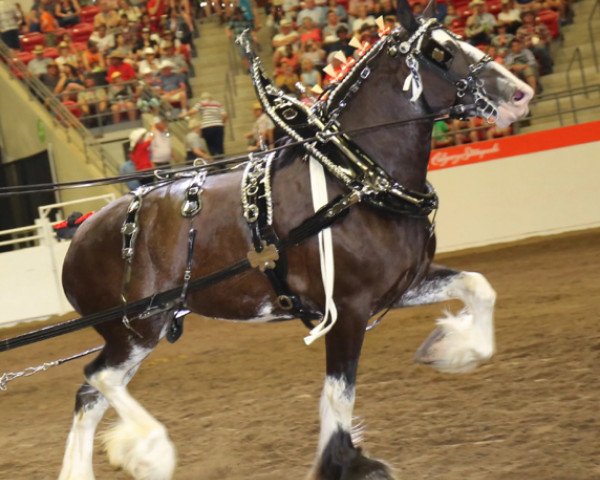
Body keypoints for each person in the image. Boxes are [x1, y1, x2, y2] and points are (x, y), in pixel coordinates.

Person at [181, 92, 227, 157]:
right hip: (218, 126)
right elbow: (225, 115)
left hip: (207, 127)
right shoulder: (218, 104)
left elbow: (193, 111)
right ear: (211, 97)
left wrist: (184, 114)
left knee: (211, 146)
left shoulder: (201, 103)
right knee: (220, 146)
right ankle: (223, 162)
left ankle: (216, 161)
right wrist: (222, 123)